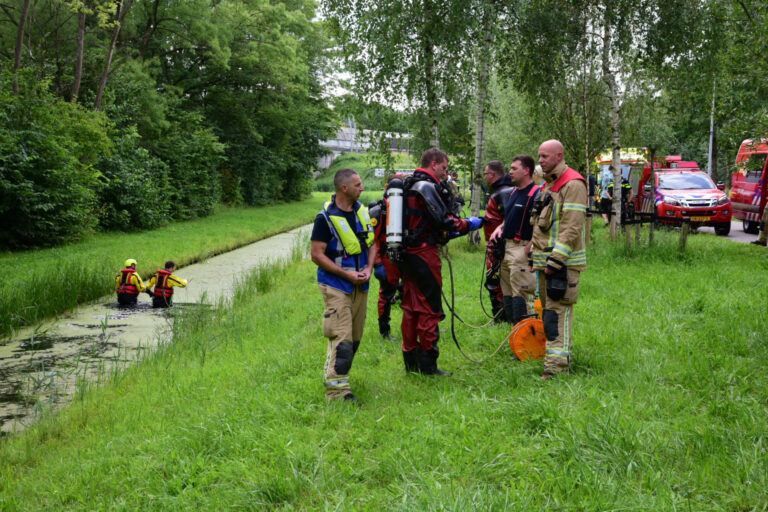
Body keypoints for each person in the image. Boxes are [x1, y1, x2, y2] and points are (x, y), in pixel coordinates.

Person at [398, 148, 483, 376]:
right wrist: (469, 224)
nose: (445, 174)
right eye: (444, 168)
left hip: (404, 255)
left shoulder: (406, 186)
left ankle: (410, 362)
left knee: (410, 307)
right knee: (429, 309)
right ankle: (428, 366)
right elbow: (445, 221)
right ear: (433, 164)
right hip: (424, 254)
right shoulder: (426, 187)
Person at [310, 168, 376, 402]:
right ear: (344, 188)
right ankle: (337, 394)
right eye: (358, 185)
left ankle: (340, 378)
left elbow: (372, 244)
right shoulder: (324, 220)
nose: (363, 188)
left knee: (354, 338)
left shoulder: (362, 213)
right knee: (342, 338)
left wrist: (368, 268)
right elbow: (317, 255)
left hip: (361, 286)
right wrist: (346, 275)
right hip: (336, 285)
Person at [528, 140, 587, 379]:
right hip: (546, 263)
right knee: (549, 313)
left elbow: (572, 227)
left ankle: (555, 369)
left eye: (544, 156)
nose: (540, 160)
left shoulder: (572, 184)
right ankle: (556, 359)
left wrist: (556, 260)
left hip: (561, 265)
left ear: (559, 155)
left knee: (557, 313)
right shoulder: (550, 184)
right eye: (539, 156)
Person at [489, 155, 540, 325]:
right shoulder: (512, 192)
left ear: (526, 171)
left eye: (514, 168)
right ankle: (514, 336)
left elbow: (542, 225)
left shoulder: (536, 194)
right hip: (506, 249)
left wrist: (530, 247)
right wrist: (499, 228)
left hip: (522, 249)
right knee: (508, 295)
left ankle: (527, 341)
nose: (509, 172)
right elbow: (509, 218)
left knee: (521, 297)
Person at [481, 160, 514, 320]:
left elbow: (510, 219)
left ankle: (501, 318)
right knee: (495, 281)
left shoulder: (503, 192)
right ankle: (501, 316)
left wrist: (500, 246)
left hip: (499, 247)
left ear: (492, 175)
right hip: (495, 246)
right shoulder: (500, 191)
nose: (485, 177)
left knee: (496, 282)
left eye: (486, 174)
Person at [369, 190, 403, 341]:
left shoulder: (403, 205)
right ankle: (384, 331)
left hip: (402, 256)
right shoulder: (379, 211)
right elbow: (372, 240)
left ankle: (414, 326)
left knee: (409, 291)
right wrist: (377, 264)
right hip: (386, 258)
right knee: (387, 294)